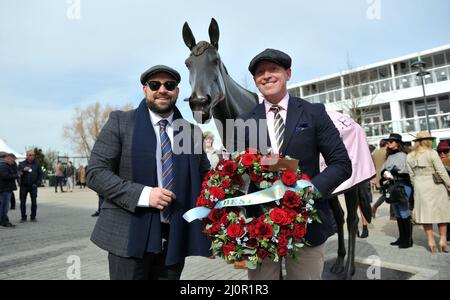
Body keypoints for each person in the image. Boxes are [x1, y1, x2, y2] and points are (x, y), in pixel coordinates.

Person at [233, 49, 352, 280]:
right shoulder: (243, 121)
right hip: (260, 226)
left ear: (288, 73)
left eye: (273, 69)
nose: (266, 75)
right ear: (256, 81)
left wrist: (309, 191)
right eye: (259, 72)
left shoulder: (314, 112)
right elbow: (238, 170)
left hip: (307, 222)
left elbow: (341, 164)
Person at [86, 65, 211, 280]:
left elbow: (204, 177)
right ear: (145, 90)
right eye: (155, 85)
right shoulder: (121, 122)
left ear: (177, 92)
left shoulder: (191, 132)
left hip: (174, 238)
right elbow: (95, 173)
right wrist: (144, 195)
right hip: (128, 236)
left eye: (169, 85)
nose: (162, 89)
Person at [406, 132, 450, 253]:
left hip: (420, 186)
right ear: (428, 141)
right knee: (442, 213)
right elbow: (441, 171)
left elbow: (411, 176)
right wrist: (449, 184)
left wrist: (418, 186)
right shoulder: (432, 153)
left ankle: (431, 242)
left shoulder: (409, 156)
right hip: (435, 185)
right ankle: (442, 241)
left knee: (426, 215)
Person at [380, 133, 413, 249]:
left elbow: (404, 170)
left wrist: (391, 173)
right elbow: (383, 168)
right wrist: (384, 173)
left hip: (402, 186)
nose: (389, 143)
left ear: (398, 143)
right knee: (397, 213)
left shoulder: (403, 155)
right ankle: (402, 238)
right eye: (388, 142)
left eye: (391, 142)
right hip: (392, 186)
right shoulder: (389, 156)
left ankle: (408, 239)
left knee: (404, 212)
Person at [18, 150, 43, 222]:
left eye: (33, 155)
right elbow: (18, 173)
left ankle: (33, 217)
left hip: (33, 186)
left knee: (34, 202)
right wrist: (23, 170)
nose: (32, 156)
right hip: (24, 186)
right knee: (22, 202)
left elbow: (40, 174)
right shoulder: (21, 164)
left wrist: (38, 183)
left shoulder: (37, 163)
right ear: (27, 156)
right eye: (30, 155)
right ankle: (23, 217)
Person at [0, 152, 18, 227]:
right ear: (8, 158)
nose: (13, 162)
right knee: (4, 206)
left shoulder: (4, 165)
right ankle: (4, 221)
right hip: (5, 189)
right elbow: (5, 176)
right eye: (12, 160)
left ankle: (3, 220)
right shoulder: (3, 165)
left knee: (3, 206)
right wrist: (16, 176)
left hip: (5, 188)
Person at [437, 141, 450, 242]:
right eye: (440, 152)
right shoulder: (435, 162)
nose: (442, 154)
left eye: (445, 151)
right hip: (441, 193)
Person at [371, 139, 388, 218]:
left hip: (378, 176)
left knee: (387, 194)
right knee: (387, 194)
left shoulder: (375, 153)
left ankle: (393, 214)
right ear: (386, 144)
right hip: (386, 176)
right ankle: (374, 207)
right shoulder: (387, 153)